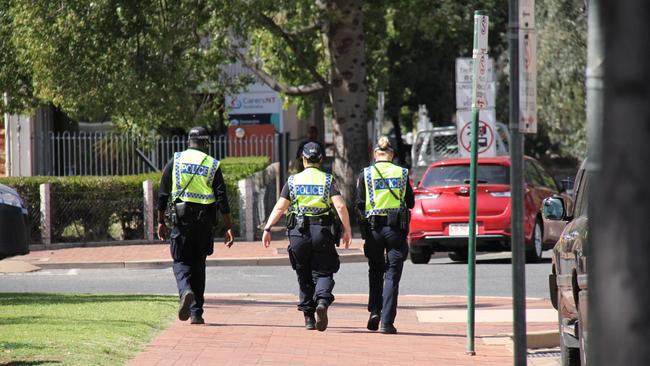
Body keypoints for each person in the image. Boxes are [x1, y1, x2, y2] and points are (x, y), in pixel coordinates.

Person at [262, 142, 352, 331]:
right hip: (322, 232)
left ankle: (309, 318)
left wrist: (268, 228)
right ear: (321, 160)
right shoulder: (328, 180)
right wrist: (347, 230)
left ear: (303, 160)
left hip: (298, 234)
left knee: (303, 273)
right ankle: (322, 301)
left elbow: (280, 207)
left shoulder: (293, 181)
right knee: (324, 271)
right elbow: (341, 206)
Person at [157, 126, 235, 325]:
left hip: (181, 222)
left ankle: (185, 291)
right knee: (199, 265)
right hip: (204, 223)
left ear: (189, 142)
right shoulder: (212, 163)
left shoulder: (176, 160)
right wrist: (228, 227)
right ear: (205, 143)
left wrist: (160, 221)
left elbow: (163, 193)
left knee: (181, 262)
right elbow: (222, 198)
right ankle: (196, 313)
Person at [355, 136, 414, 334]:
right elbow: (411, 202)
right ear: (392, 155)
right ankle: (387, 323)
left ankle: (375, 311)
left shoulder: (365, 174)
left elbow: (360, 203)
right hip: (396, 230)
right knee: (392, 275)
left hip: (373, 230)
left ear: (375, 154)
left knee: (375, 270)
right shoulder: (402, 173)